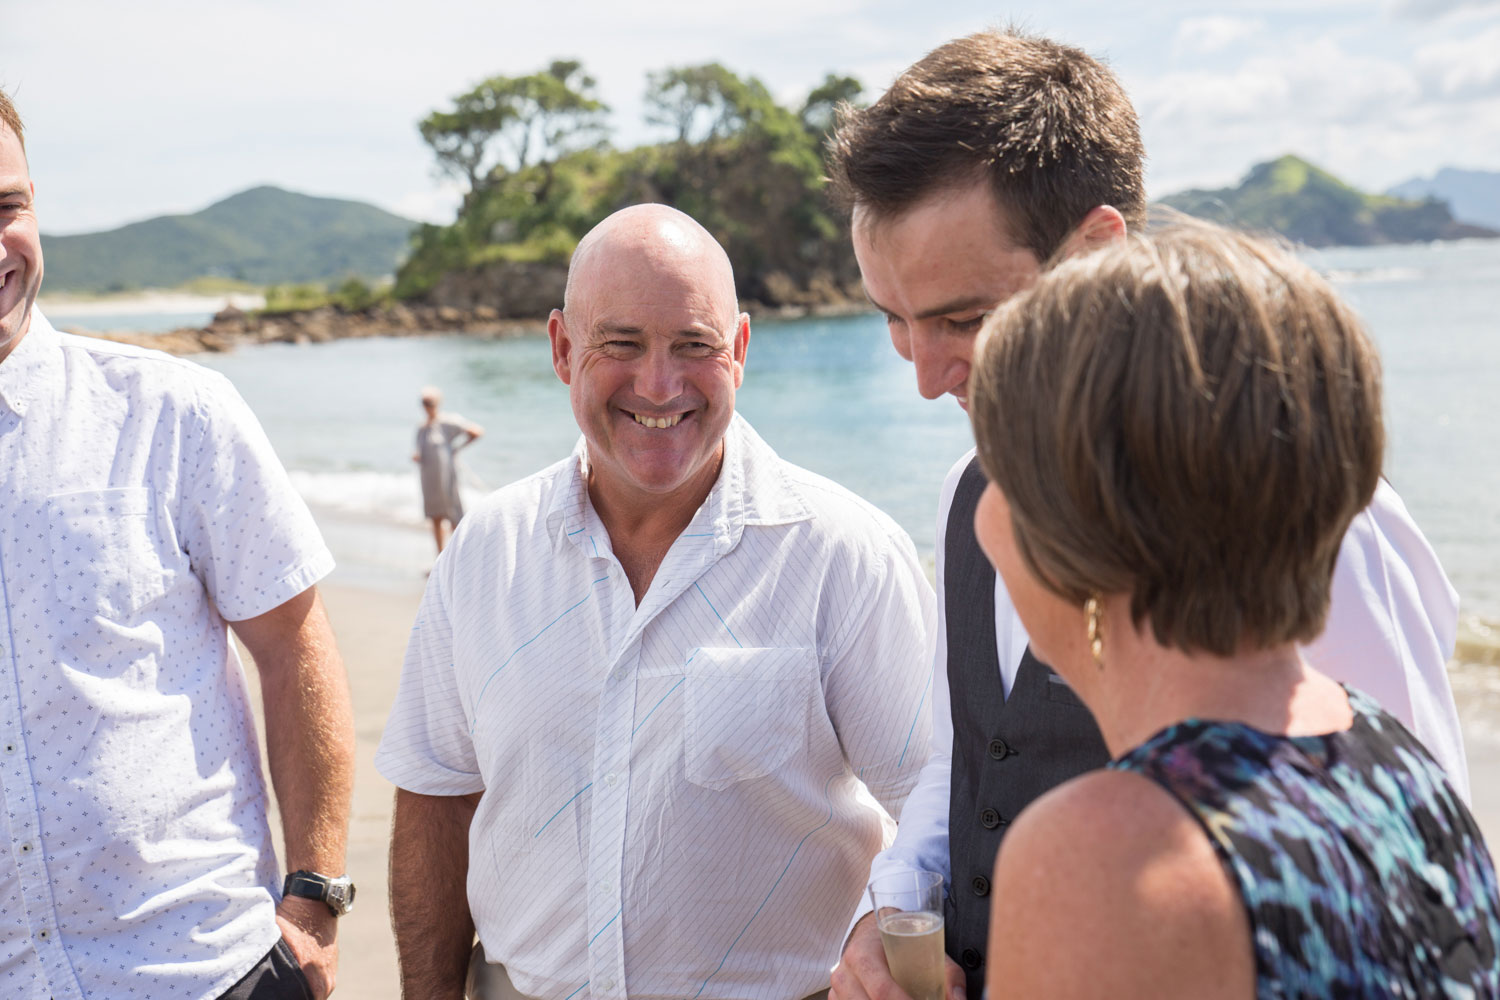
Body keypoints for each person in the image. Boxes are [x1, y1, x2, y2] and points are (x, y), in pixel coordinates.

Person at [824, 29, 1470, 997]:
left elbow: (1395, 893)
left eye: (962, 319)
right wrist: (894, 902)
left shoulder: (1309, 509)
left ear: (1094, 251)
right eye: (892, 319)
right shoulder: (967, 496)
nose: (924, 376)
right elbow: (966, 755)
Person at [376, 204, 936, 1000]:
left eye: (694, 345)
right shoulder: (484, 552)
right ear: (564, 349)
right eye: (622, 344)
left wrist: (890, 924)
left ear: (739, 351)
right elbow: (437, 795)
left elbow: (935, 801)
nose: (659, 384)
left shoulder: (844, 555)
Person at [968, 223, 1499, 998]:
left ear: (1078, 527)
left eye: (1000, 470)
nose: (986, 512)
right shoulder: (1404, 770)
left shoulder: (1111, 856)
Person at [0, 92, 356, 999]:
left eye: (6, 209)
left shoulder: (170, 414)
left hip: (205, 970)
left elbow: (295, 647)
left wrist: (313, 898)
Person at [414, 386, 484, 554]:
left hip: (445, 476)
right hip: (428, 478)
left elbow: (477, 431)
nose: (426, 406)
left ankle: (460, 555)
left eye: (429, 402)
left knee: (453, 514)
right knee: (435, 517)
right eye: (424, 403)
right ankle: (440, 559)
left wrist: (456, 448)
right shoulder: (422, 428)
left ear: (438, 403)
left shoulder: (448, 421)